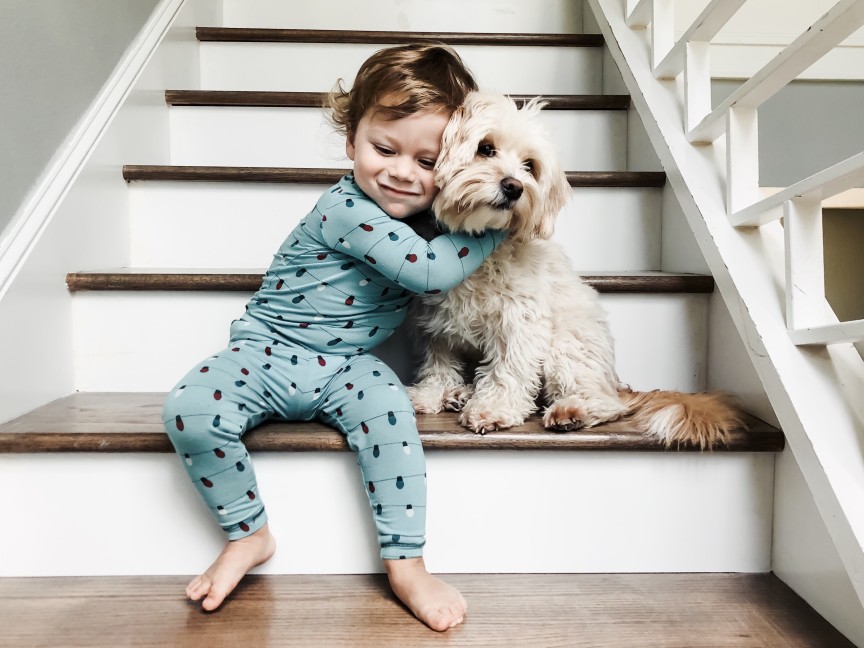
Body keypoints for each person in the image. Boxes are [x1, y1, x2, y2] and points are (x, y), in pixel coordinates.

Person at [162, 42, 506, 632]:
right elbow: (430, 271)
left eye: (427, 163)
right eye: (384, 148)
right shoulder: (344, 209)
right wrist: (503, 221)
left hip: (348, 364)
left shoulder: (427, 219)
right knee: (191, 410)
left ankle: (406, 563)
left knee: (391, 417)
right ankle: (249, 534)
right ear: (351, 141)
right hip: (267, 350)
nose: (401, 171)